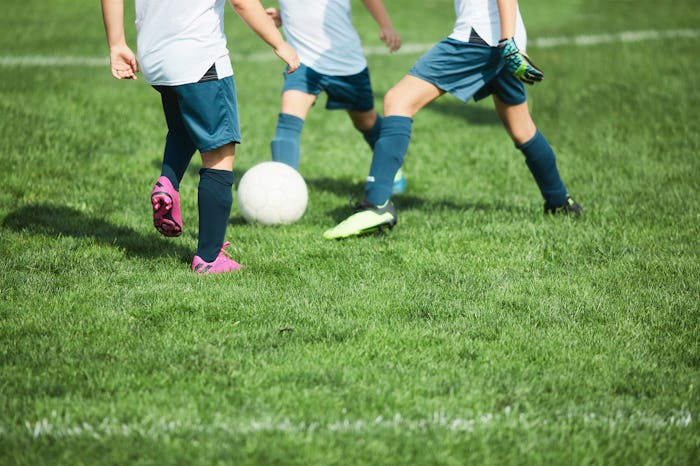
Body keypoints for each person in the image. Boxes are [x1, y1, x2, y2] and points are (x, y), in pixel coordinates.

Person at [323, 0, 583, 240]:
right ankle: (560, 201)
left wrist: (508, 42)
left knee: (398, 100)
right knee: (521, 128)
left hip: (483, 39)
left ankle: (376, 204)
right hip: (501, 39)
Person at [101, 0, 300, 273]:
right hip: (199, 56)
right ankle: (209, 258)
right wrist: (279, 43)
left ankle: (168, 183)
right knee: (219, 151)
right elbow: (241, 2)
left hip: (155, 56)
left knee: (184, 127)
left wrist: (117, 43)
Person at [264, 0, 407, 195]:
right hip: (302, 61)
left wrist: (386, 25)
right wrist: (287, 14)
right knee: (288, 122)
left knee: (366, 121)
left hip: (345, 61)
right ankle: (282, 192)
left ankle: (390, 167)